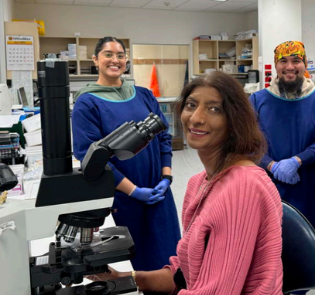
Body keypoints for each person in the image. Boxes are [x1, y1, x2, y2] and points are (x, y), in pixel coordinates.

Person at [87, 71, 283, 294]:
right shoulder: (198, 183)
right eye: (191, 105)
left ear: (235, 120)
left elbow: (218, 291)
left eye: (214, 109)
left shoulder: (243, 187)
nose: (196, 118)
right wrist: (123, 277)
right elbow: (184, 274)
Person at [71, 37, 180, 271]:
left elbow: (163, 136)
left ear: (126, 60)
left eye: (120, 55)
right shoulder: (87, 103)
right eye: (108, 54)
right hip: (125, 199)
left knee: (170, 259)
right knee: (136, 266)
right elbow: (89, 158)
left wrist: (166, 177)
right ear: (95, 60)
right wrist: (134, 191)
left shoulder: (144, 94)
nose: (115, 60)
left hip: (159, 194)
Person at [249, 40, 315, 239]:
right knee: (266, 247)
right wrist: (271, 165)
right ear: (276, 65)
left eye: (296, 60)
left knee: (303, 249)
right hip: (264, 187)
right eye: (283, 61)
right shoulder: (257, 101)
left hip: (304, 188)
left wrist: (297, 160)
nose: (290, 67)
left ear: (305, 64)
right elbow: (245, 142)